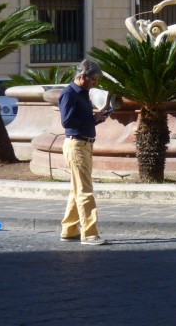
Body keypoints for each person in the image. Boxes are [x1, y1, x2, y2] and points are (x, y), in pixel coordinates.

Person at [58, 58, 110, 246]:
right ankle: (89, 234)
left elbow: (82, 119)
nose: (95, 83)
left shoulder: (82, 94)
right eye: (94, 79)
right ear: (82, 77)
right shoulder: (69, 94)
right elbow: (67, 122)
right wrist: (90, 117)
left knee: (76, 189)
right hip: (76, 145)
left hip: (84, 144)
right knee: (85, 191)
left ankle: (69, 230)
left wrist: (96, 118)